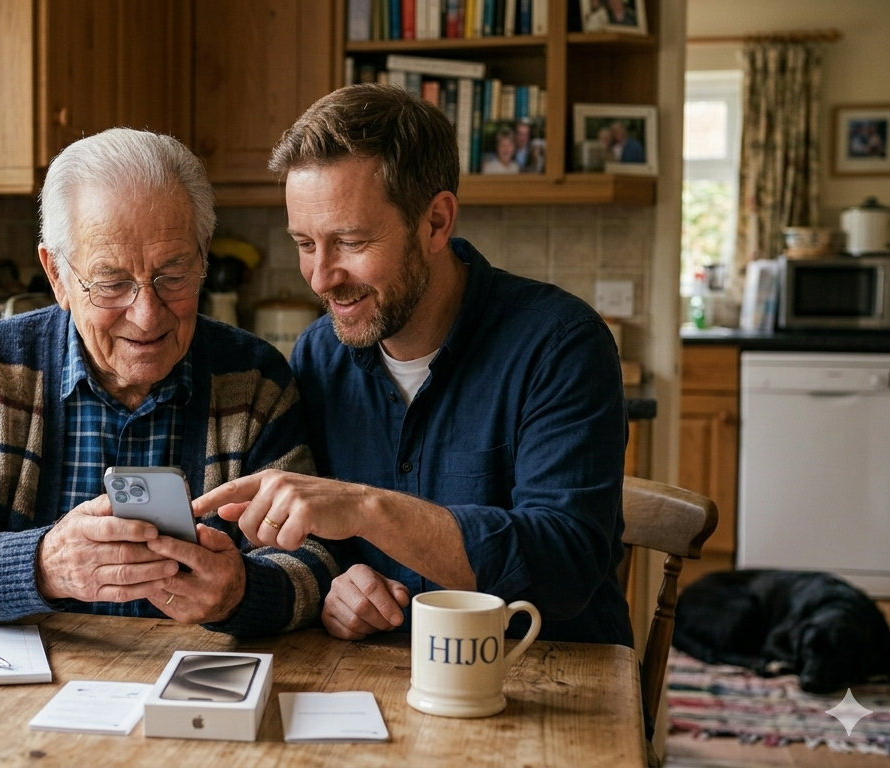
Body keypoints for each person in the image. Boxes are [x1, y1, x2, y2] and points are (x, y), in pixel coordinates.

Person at [193, 84, 633, 648]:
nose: (321, 277)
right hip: (384, 678)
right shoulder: (319, 356)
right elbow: (325, 548)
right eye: (305, 243)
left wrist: (367, 509)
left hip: (550, 677)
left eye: (350, 242)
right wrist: (339, 586)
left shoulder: (561, 345)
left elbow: (565, 567)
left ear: (436, 223)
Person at [0, 128, 335, 636]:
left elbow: (316, 562)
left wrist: (241, 592)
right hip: (31, 680)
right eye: (112, 283)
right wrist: (44, 564)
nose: (146, 315)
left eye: (173, 276)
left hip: (192, 677)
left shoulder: (254, 380)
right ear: (57, 275)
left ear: (203, 255)